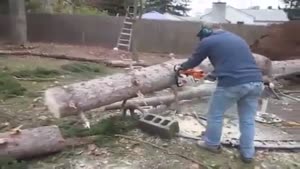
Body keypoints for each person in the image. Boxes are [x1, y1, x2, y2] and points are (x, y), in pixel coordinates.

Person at [175, 23, 264, 163]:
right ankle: (248, 153)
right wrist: (214, 74)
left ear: (206, 31)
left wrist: (181, 67)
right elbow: (234, 61)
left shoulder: (208, 40)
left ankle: (211, 143)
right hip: (256, 81)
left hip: (233, 82)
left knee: (215, 113)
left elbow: (194, 60)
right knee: (247, 119)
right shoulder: (237, 39)